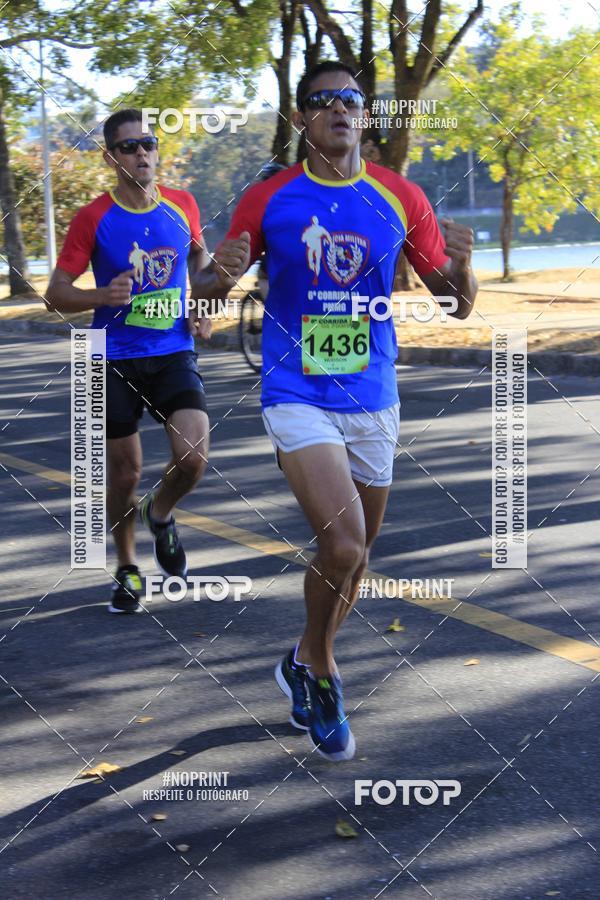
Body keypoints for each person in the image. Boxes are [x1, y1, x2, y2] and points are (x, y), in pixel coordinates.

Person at [197, 62, 477, 760]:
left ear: (364, 116)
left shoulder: (400, 195)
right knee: (344, 542)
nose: (339, 110)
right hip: (295, 391)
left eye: (351, 100)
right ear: (301, 120)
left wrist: (463, 269)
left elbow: (454, 303)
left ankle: (299, 658)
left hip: (373, 394)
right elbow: (204, 299)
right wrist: (216, 277)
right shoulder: (270, 200)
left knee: (353, 561)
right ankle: (323, 675)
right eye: (323, 102)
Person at [47, 108, 226, 613]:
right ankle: (126, 566)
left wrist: (205, 307)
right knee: (123, 475)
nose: (142, 153)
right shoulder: (93, 218)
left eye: (148, 143)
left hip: (171, 352)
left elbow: (200, 263)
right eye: (129, 146)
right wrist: (102, 295)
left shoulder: (183, 205)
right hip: (109, 357)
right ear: (110, 157)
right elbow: (55, 294)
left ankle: (161, 512)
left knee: (193, 458)